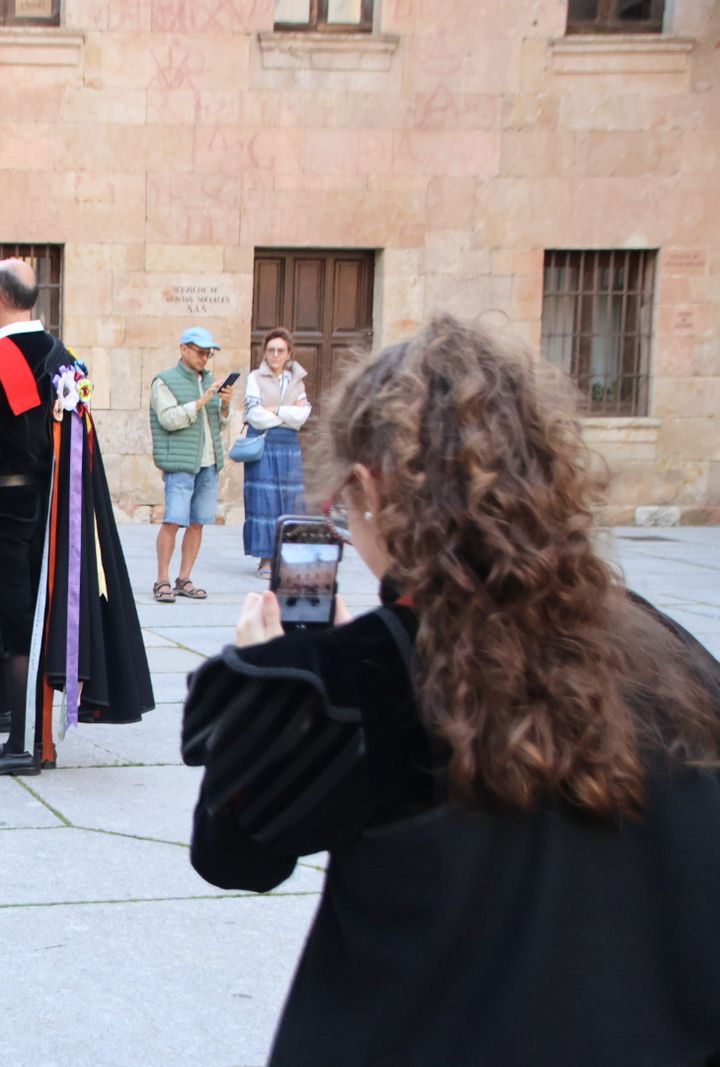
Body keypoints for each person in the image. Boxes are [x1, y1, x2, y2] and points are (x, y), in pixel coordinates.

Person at [181, 314, 720, 1065]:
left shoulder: (369, 674)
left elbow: (235, 850)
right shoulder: (669, 650)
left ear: (369, 487)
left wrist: (284, 677)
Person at [0, 260, 153, 774]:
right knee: (24, 621)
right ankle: (24, 732)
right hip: (45, 506)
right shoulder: (61, 356)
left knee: (8, 626)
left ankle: (22, 744)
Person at [149, 327, 232, 603]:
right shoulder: (164, 381)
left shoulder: (209, 381)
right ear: (183, 349)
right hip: (181, 462)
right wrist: (200, 402)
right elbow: (168, 419)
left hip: (209, 463)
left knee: (198, 523)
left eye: (208, 354)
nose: (204, 358)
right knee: (173, 520)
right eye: (200, 352)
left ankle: (184, 578)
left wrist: (223, 406)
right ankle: (162, 580)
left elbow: (219, 425)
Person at [242, 327, 310, 579]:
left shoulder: (297, 380)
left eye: (280, 350)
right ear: (265, 352)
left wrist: (275, 409)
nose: (275, 355)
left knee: (290, 501)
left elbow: (302, 417)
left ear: (288, 353)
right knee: (264, 502)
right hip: (263, 443)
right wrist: (286, 413)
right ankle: (266, 559)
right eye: (271, 350)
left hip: (289, 446)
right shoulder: (254, 378)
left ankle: (286, 557)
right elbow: (254, 415)